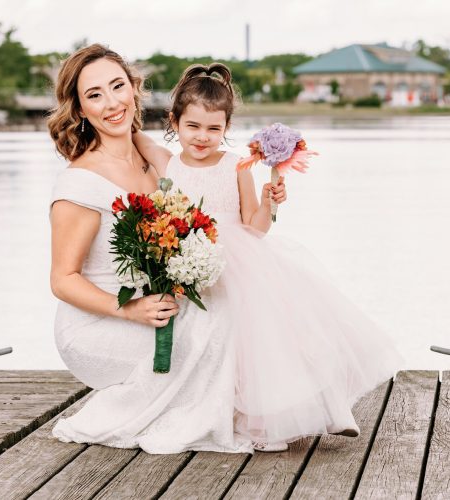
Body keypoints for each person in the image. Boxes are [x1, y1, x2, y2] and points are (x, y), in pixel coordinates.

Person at [134, 63, 403, 451]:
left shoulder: (236, 166)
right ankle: (240, 413)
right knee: (225, 344)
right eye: (192, 126)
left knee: (284, 331)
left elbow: (255, 229)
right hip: (192, 267)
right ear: (174, 122)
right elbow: (128, 134)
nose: (202, 137)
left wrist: (268, 203)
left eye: (214, 129)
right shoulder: (167, 163)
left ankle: (331, 408)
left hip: (240, 262)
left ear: (227, 127)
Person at [47, 44, 252, 453]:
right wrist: (131, 309)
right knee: (210, 332)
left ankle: (258, 410)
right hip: (98, 325)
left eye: (118, 86)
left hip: (156, 308)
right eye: (95, 95)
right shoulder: (80, 183)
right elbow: (62, 280)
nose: (112, 103)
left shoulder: (153, 161)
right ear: (80, 109)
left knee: (236, 311)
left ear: (134, 88)